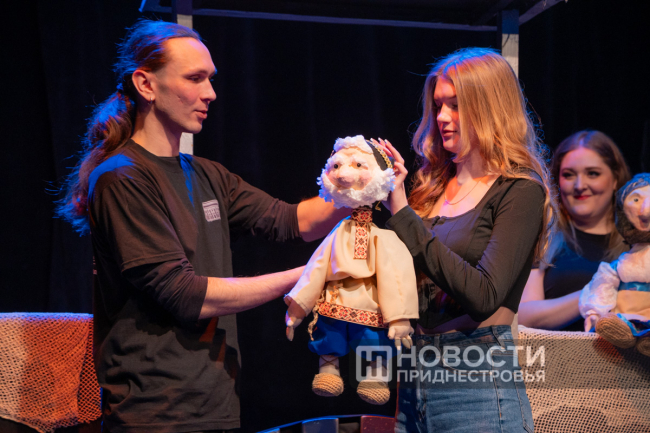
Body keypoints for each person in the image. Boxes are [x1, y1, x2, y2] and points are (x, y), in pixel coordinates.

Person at [56, 20, 346, 433]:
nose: (210, 93)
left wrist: (358, 186)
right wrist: (310, 274)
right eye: (194, 78)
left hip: (215, 404)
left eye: (210, 79)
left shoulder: (207, 174)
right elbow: (185, 294)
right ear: (146, 84)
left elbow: (291, 221)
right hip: (155, 414)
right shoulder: (123, 178)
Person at [379, 47, 556, 432]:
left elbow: (483, 295)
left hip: (477, 378)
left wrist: (403, 215)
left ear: (490, 108)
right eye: (438, 105)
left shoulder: (519, 191)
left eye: (456, 106)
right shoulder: (429, 189)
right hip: (414, 374)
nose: (442, 117)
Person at [519, 130, 631, 331]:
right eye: (568, 175)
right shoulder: (543, 236)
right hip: (555, 351)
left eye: (592, 173)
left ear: (615, 179)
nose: (579, 185)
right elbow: (524, 316)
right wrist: (592, 293)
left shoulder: (636, 243)